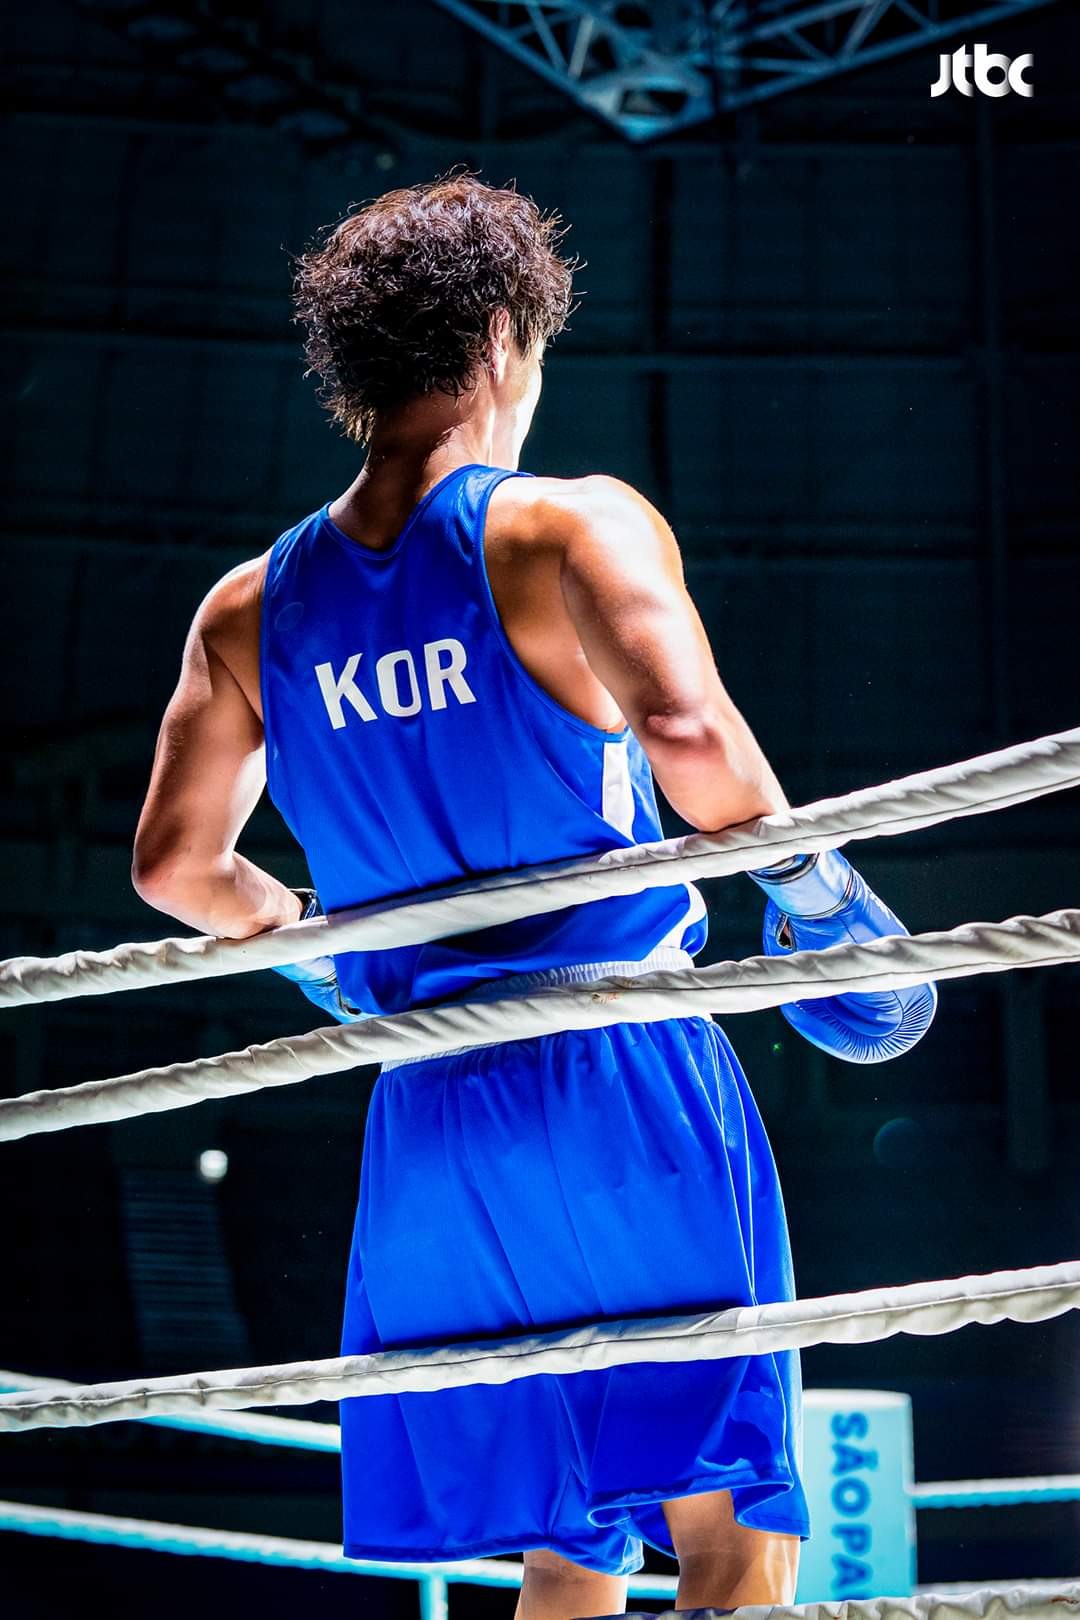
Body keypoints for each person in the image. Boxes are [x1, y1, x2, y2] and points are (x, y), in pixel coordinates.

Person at [131, 174, 936, 1620]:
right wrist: (826, 903)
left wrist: (324, 953)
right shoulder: (567, 527)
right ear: (505, 336)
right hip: (618, 1068)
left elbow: (176, 870)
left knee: (569, 1547)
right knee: (729, 1530)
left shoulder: (249, 607)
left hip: (430, 1112)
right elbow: (690, 739)